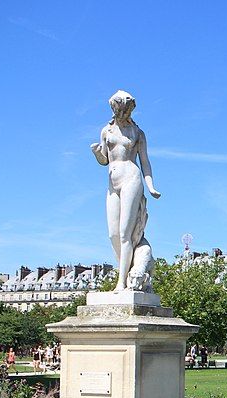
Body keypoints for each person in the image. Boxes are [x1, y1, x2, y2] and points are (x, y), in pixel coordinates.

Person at [91, 90, 161, 291]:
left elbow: (145, 162)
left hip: (132, 177)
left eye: (126, 110)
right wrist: (97, 154)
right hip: (113, 182)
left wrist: (151, 186)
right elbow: (105, 159)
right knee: (113, 234)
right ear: (114, 109)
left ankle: (121, 283)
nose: (123, 114)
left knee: (125, 233)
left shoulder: (137, 133)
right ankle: (132, 271)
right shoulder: (107, 131)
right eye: (120, 110)